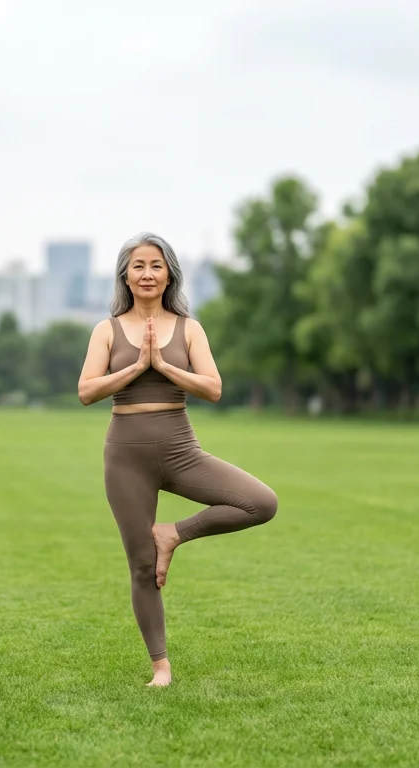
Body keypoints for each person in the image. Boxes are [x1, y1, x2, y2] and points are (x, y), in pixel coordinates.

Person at [77, 232, 278, 687]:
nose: (147, 274)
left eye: (156, 265)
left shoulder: (190, 328)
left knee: (260, 502)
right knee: (142, 566)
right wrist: (134, 367)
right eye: (138, 265)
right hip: (126, 457)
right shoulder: (106, 330)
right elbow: (86, 390)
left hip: (181, 449)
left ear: (169, 274)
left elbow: (213, 387)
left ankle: (173, 534)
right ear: (125, 276)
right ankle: (160, 666)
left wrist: (164, 366)